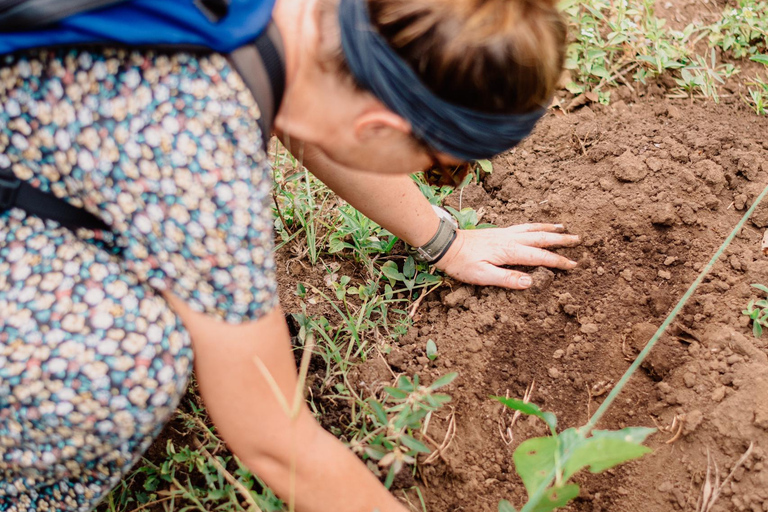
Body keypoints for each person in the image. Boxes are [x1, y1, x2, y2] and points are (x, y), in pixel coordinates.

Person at [0, 0, 577, 510]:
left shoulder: (290, 24)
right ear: (378, 125)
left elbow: (310, 109)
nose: (435, 177)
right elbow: (272, 435)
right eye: (440, 166)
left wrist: (444, 237)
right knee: (130, 358)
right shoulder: (196, 140)